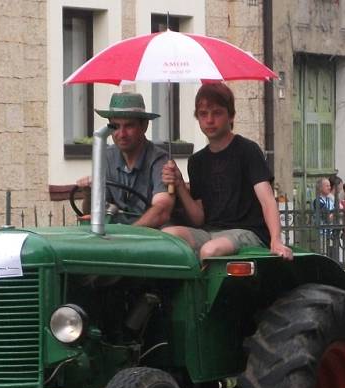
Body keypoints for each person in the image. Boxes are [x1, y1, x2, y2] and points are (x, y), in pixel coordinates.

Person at [159, 82, 292, 261]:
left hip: (248, 233)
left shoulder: (248, 150)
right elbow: (198, 218)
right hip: (209, 233)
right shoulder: (196, 161)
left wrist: (276, 240)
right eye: (203, 114)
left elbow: (268, 201)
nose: (209, 120)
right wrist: (180, 185)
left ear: (231, 116)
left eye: (217, 113)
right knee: (167, 237)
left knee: (209, 250)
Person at [76, 92, 173, 227]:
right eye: (115, 126)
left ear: (144, 126)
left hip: (152, 237)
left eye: (129, 126)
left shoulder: (160, 160)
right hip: (116, 237)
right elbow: (95, 214)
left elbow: (162, 210)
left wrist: (130, 234)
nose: (122, 134)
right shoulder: (105, 157)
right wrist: (88, 193)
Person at [312, 177, 337, 260]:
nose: (329, 187)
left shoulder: (329, 200)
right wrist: (336, 213)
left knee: (332, 257)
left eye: (329, 185)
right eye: (327, 186)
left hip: (331, 233)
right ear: (320, 188)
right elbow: (328, 218)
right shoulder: (318, 201)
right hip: (322, 234)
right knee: (324, 256)